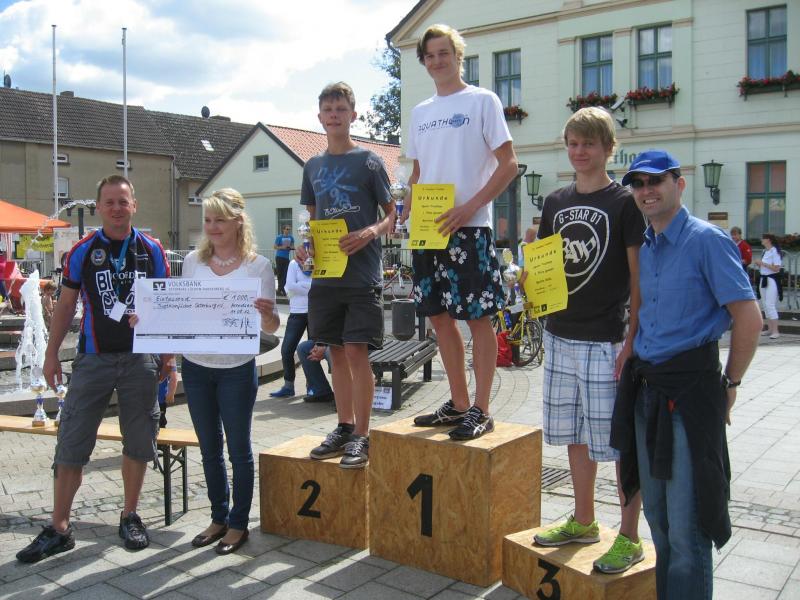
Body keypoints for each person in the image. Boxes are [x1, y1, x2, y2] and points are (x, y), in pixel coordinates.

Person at [612, 150, 762, 599]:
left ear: (678, 184)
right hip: (647, 392)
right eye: (638, 184)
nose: (646, 191)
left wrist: (731, 383)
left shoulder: (706, 241)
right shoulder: (649, 245)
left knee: (686, 526)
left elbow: (749, 318)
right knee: (658, 519)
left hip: (688, 395)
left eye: (655, 181)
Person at [16, 174, 171, 563]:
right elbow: (66, 305)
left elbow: (167, 304)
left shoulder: (152, 250)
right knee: (72, 441)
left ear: (134, 205)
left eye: (123, 201)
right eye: (110, 202)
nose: (117, 208)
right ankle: (59, 527)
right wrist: (51, 354)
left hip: (140, 359)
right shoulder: (83, 251)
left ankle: (130, 516)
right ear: (99, 206)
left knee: (139, 441)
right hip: (92, 359)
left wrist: (169, 360)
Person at [529, 107, 645, 574]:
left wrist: (633, 336)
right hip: (560, 335)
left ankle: (630, 536)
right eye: (573, 144)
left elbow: (638, 278)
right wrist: (531, 283)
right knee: (574, 436)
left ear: (608, 148)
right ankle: (583, 520)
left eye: (589, 144)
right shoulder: (555, 201)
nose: (579, 152)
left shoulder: (625, 202)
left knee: (618, 443)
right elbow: (545, 266)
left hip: (606, 340)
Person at [401, 24, 517, 440]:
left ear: (458, 56)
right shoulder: (420, 112)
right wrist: (406, 210)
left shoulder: (482, 100)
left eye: (443, 53)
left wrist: (470, 206)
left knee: (479, 319)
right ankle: (459, 403)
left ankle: (482, 409)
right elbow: (418, 173)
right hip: (428, 232)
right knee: (438, 317)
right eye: (430, 55)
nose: (437, 61)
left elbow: (508, 165)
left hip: (469, 229)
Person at [174, 188, 279, 554]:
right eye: (207, 220)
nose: (212, 227)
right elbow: (180, 310)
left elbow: (270, 327)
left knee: (239, 450)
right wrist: (150, 322)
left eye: (219, 220)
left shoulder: (258, 266)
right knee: (209, 449)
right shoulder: (192, 262)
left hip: (236, 368)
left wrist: (268, 314)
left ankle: (238, 523)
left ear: (238, 222)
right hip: (196, 366)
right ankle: (218, 517)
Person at [301, 81, 394, 469]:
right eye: (328, 110)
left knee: (357, 351)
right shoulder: (312, 166)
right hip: (327, 276)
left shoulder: (369, 161)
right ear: (320, 117)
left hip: (362, 274)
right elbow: (312, 220)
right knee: (335, 352)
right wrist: (305, 246)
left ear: (353, 115)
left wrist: (371, 231)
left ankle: (363, 434)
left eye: (341, 109)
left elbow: (393, 214)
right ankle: (343, 425)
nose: (334, 115)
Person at [271, 249, 311, 398]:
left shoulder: (319, 262)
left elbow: (319, 286)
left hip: (315, 312)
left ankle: (312, 386)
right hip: (296, 312)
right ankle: (288, 386)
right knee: (286, 350)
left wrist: (300, 285)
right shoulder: (293, 264)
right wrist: (308, 287)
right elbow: (289, 286)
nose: (307, 250)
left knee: (311, 352)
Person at [754, 233, 782, 339]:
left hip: (771, 279)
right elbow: (764, 266)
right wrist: (760, 264)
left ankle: (776, 331)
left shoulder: (775, 251)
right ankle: (770, 329)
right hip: (763, 278)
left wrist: (762, 264)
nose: (761, 240)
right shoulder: (765, 251)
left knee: (770, 304)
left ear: (768, 240)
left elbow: (776, 268)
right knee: (765, 305)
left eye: (763, 238)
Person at [297, 339, 334, 404]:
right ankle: (321, 392)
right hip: (326, 340)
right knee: (303, 347)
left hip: (342, 340)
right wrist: (319, 344)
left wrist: (324, 346)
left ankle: (344, 397)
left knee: (330, 351)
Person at [156, 356, 178, 428]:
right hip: (160, 398)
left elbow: (174, 377)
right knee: (159, 422)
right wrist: (171, 394)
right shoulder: (168, 354)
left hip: (147, 396)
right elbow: (174, 377)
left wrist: (171, 393)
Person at [273, 225, 294, 296]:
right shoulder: (279, 237)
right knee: (280, 274)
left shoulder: (291, 237)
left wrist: (290, 247)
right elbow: (275, 246)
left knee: (285, 274)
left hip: (286, 258)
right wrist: (282, 247)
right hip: (279, 257)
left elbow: (293, 246)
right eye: (287, 229)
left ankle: (282, 289)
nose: (288, 230)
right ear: (283, 230)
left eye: (289, 229)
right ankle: (280, 289)